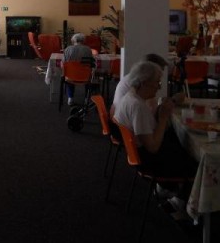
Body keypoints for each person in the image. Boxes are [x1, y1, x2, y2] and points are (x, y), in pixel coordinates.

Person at [113, 61, 197, 212]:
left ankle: (167, 188)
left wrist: (161, 109)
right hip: (148, 160)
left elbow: (148, 127)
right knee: (196, 160)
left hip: (139, 153)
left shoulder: (131, 97)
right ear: (143, 82)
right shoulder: (137, 106)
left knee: (178, 138)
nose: (159, 87)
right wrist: (163, 117)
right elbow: (152, 147)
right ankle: (180, 200)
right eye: (157, 82)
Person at [110, 53, 183, 117]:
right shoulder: (143, 85)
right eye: (159, 71)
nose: (160, 75)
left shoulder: (133, 78)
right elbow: (154, 113)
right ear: (149, 69)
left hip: (119, 118)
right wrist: (173, 101)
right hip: (123, 124)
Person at [62, 33, 94, 106]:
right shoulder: (88, 49)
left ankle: (70, 98)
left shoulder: (68, 49)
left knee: (69, 75)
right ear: (83, 41)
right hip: (85, 76)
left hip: (71, 76)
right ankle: (86, 98)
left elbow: (64, 62)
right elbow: (91, 63)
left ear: (74, 40)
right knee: (90, 76)